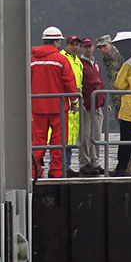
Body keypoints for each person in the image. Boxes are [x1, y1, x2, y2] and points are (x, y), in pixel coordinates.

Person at [30, 26, 78, 178]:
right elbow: (69, 82)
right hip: (58, 107)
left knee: (38, 141)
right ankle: (56, 172)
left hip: (37, 108)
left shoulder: (32, 60)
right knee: (58, 141)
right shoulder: (61, 60)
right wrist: (74, 100)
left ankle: (34, 170)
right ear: (56, 42)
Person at [76, 37, 107, 175]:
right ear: (82, 48)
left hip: (97, 105)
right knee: (85, 136)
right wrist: (80, 102)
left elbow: (99, 82)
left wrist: (104, 101)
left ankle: (95, 162)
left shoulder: (95, 63)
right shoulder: (80, 63)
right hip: (86, 106)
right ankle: (85, 163)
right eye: (86, 46)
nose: (88, 49)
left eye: (90, 46)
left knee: (97, 136)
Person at [60, 35, 85, 171]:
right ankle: (61, 167)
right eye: (72, 44)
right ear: (66, 45)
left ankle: (66, 166)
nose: (75, 47)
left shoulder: (78, 62)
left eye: (77, 44)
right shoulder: (62, 59)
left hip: (75, 103)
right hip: (66, 102)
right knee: (61, 136)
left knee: (71, 137)